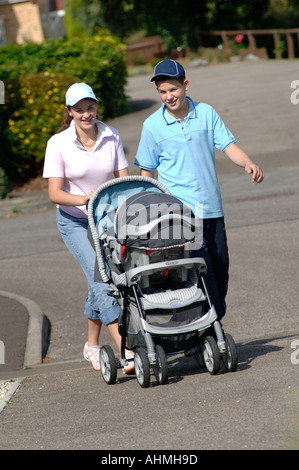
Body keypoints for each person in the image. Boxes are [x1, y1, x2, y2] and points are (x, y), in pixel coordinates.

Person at [134, 59, 264, 321]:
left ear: (186, 84)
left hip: (211, 208)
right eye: (162, 91)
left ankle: (210, 324)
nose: (169, 96)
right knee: (199, 273)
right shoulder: (152, 126)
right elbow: (146, 173)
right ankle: (209, 329)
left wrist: (248, 162)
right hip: (180, 214)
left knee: (220, 267)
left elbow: (228, 145)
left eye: (173, 89)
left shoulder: (206, 113)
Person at [43, 82, 134, 373]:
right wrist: (86, 199)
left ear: (96, 106)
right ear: (69, 112)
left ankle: (91, 345)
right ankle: (126, 348)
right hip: (74, 221)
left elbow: (123, 180)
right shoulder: (57, 144)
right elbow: (54, 194)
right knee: (101, 280)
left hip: (106, 219)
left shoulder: (111, 135)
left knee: (99, 277)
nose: (86, 114)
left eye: (90, 107)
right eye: (79, 110)